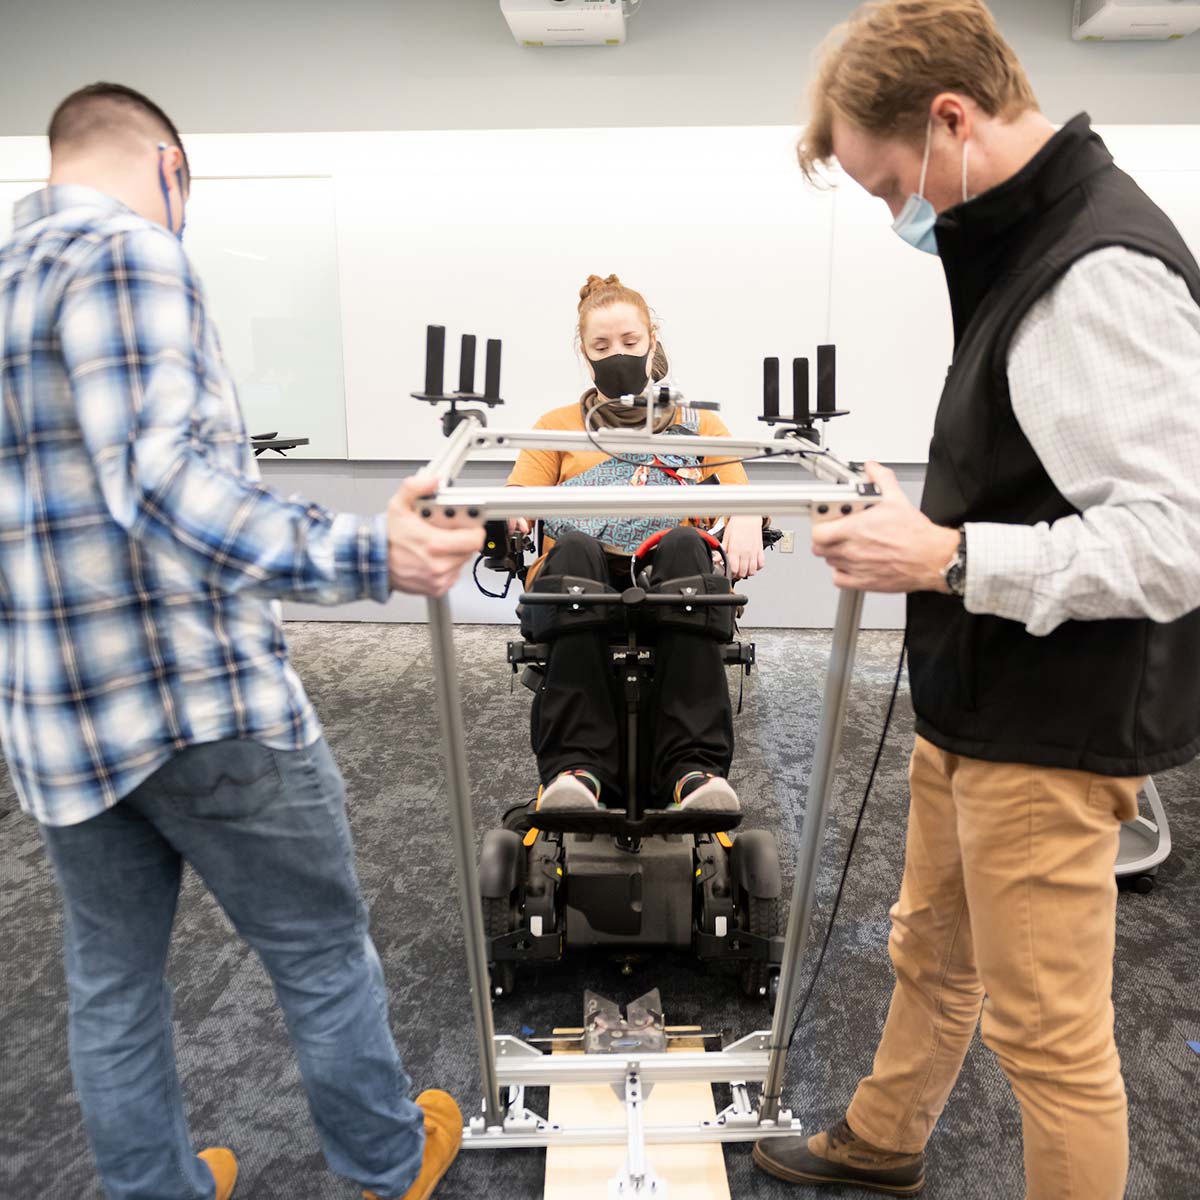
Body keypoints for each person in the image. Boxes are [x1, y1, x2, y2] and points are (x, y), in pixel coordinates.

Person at [0, 83, 483, 1200]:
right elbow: (165, 490)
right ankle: (389, 1162)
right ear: (169, 168)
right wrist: (373, 557)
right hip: (196, 701)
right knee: (317, 951)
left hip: (57, 721)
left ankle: (157, 1188)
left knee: (110, 985)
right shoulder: (132, 257)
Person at [752, 3, 1200, 1198]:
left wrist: (947, 558)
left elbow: (1174, 541)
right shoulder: (1023, 242)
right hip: (978, 700)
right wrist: (923, 510)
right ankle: (884, 1140)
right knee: (930, 952)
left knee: (1051, 1044)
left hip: (1053, 730)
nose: (897, 212)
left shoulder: (1097, 270)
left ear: (952, 119)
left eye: (892, 180)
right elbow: (1040, 469)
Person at [505, 273, 764, 814]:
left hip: (671, 580)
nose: (616, 355)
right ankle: (576, 772)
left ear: (652, 340)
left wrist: (745, 515)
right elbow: (519, 500)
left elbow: (744, 492)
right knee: (573, 548)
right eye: (601, 347)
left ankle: (693, 771)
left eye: (628, 342)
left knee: (686, 543)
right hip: (582, 581)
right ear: (585, 351)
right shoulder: (556, 428)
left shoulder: (700, 425)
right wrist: (514, 519)